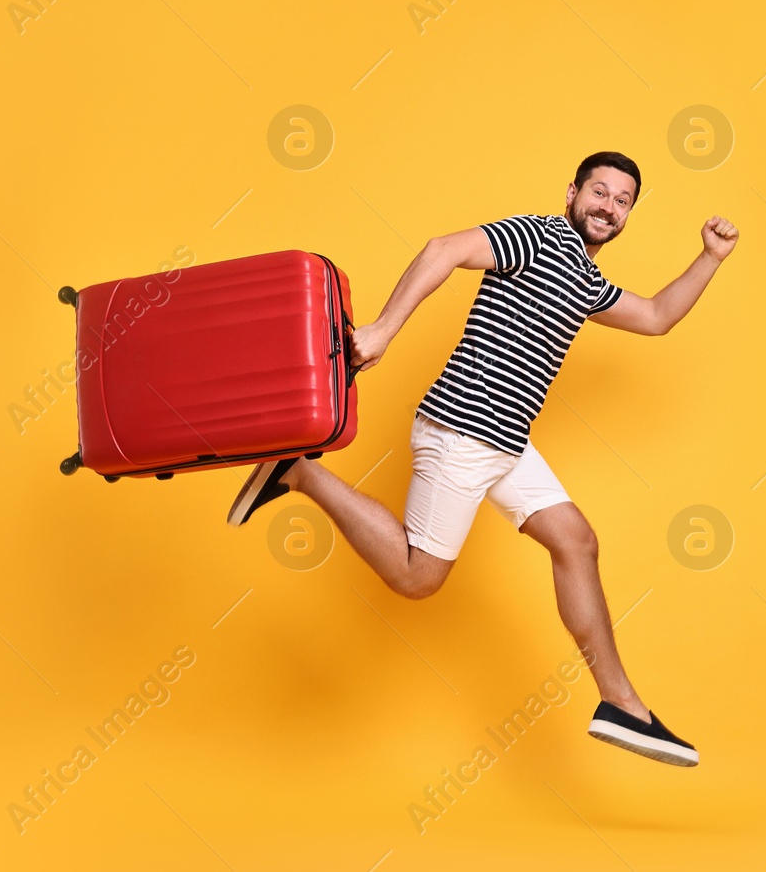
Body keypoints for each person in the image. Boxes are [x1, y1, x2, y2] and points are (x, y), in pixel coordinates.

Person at [228, 151, 739, 767]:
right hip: (463, 432)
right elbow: (444, 249)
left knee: (575, 541)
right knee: (418, 578)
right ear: (572, 191)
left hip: (507, 443)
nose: (608, 206)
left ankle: (620, 706)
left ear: (629, 214)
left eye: (622, 200)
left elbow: (656, 317)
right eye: (599, 192)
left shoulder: (582, 276)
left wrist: (709, 258)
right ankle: (298, 470)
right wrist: (386, 329)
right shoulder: (537, 234)